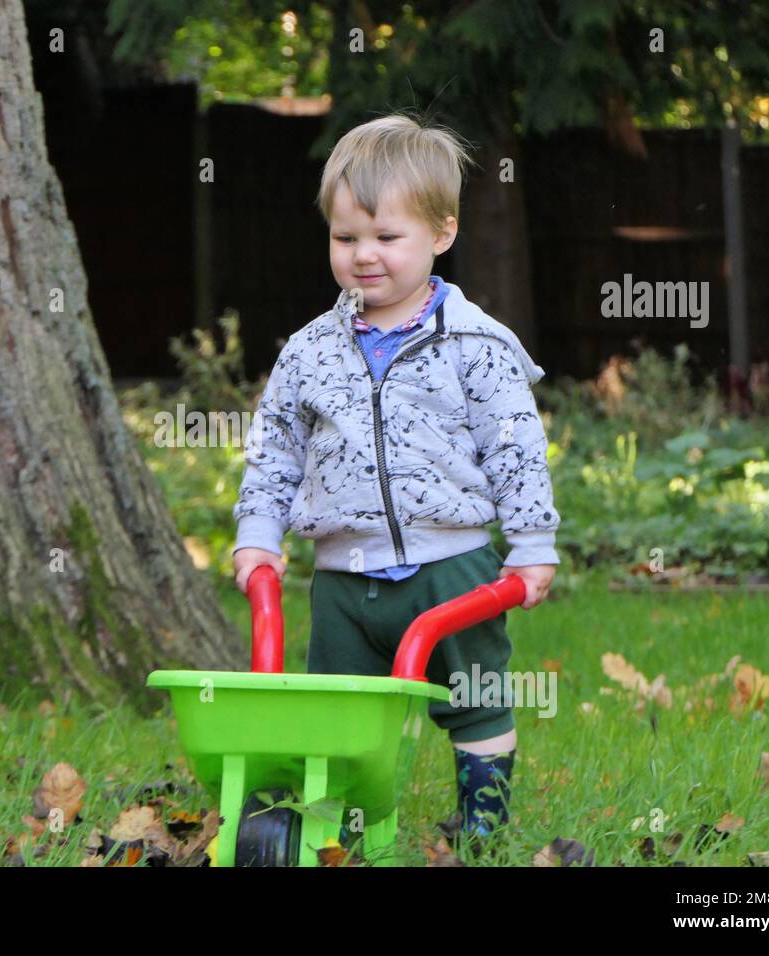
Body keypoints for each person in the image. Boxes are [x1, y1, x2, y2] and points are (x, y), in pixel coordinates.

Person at [231, 113, 560, 847]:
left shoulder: (476, 344)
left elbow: (516, 446)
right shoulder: (310, 352)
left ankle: (482, 830)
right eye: (346, 239)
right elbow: (275, 448)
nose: (363, 257)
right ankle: (342, 836)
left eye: (387, 237)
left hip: (455, 569)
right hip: (344, 579)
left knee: (475, 703)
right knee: (338, 719)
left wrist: (532, 541)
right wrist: (257, 535)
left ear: (441, 233)